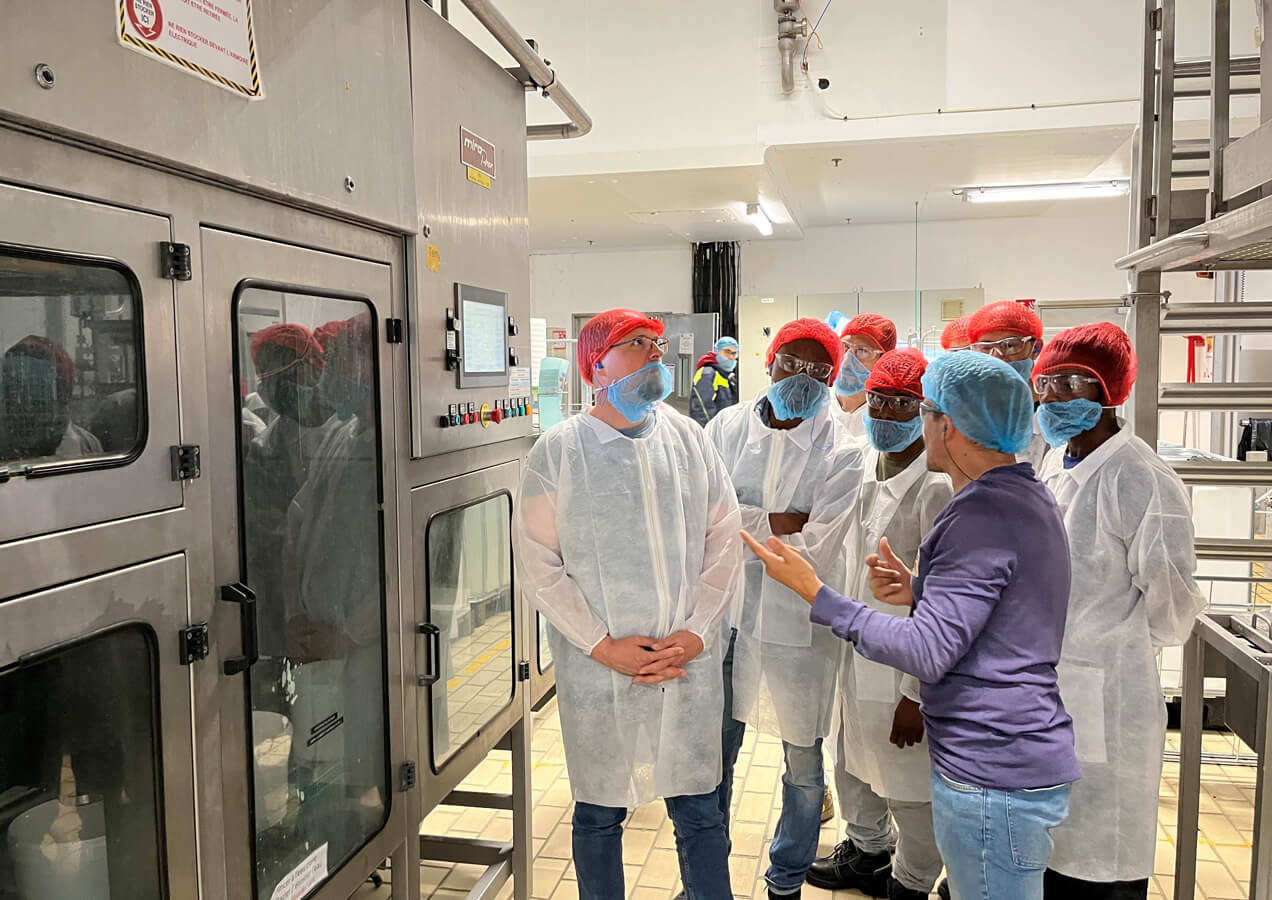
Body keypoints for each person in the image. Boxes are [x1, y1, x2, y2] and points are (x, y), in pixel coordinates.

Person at [742, 350, 1079, 900]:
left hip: (992, 766)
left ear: (948, 426)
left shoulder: (977, 514)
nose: (910, 421)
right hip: (1008, 752)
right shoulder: (1020, 496)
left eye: (920, 409)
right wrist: (921, 588)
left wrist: (815, 592)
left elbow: (927, 651)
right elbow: (1000, 604)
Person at [513, 308, 742, 900]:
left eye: (657, 342)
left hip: (685, 664)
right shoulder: (561, 450)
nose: (655, 352)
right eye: (637, 342)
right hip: (602, 672)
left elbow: (724, 536)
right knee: (599, 813)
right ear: (597, 367)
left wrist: (697, 630)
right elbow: (538, 562)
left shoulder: (688, 438)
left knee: (700, 811)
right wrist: (601, 645)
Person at [1034, 324, 1204, 900]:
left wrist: (1110, 646)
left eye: (1072, 383)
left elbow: (1172, 604)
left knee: (1102, 859)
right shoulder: (1057, 463)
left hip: (1111, 694)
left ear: (1110, 391)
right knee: (1052, 853)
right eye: (1046, 382)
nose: (1053, 396)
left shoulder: (1139, 476)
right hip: (1052, 683)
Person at [705, 318, 864, 900]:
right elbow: (700, 517)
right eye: (791, 363)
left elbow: (815, 547)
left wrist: (737, 521)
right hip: (724, 615)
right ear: (768, 362)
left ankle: (787, 878)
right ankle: (706, 876)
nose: (803, 377)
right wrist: (777, 520)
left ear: (833, 377)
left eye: (819, 369)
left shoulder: (844, 450)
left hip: (799, 625)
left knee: (803, 762)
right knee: (714, 753)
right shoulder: (725, 428)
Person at [808, 349, 952, 900]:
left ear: (927, 411)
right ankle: (868, 852)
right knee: (852, 761)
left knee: (910, 786)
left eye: (901, 403)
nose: (885, 413)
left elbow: (941, 606)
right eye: (877, 400)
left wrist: (916, 696)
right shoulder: (866, 465)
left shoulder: (937, 487)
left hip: (903, 666)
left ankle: (912, 880)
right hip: (856, 651)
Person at [966, 301, 1049, 470]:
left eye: (1010, 345)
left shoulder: (1057, 418)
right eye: (986, 348)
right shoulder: (967, 416)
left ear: (1036, 348)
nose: (998, 357)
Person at [1, 334, 102, 462]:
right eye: (10, 390)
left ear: (61, 397)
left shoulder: (87, 446)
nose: (22, 407)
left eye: (37, 397)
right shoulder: (86, 445)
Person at [830, 313, 897, 441]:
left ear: (883, 361)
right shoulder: (819, 404)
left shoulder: (885, 418)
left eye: (862, 351)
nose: (846, 361)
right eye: (845, 347)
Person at [691, 336, 741, 426]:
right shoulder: (707, 373)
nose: (731, 357)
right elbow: (702, 409)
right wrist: (709, 432)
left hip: (725, 429)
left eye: (734, 354)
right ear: (717, 352)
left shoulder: (728, 377)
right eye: (727, 352)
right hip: (712, 430)